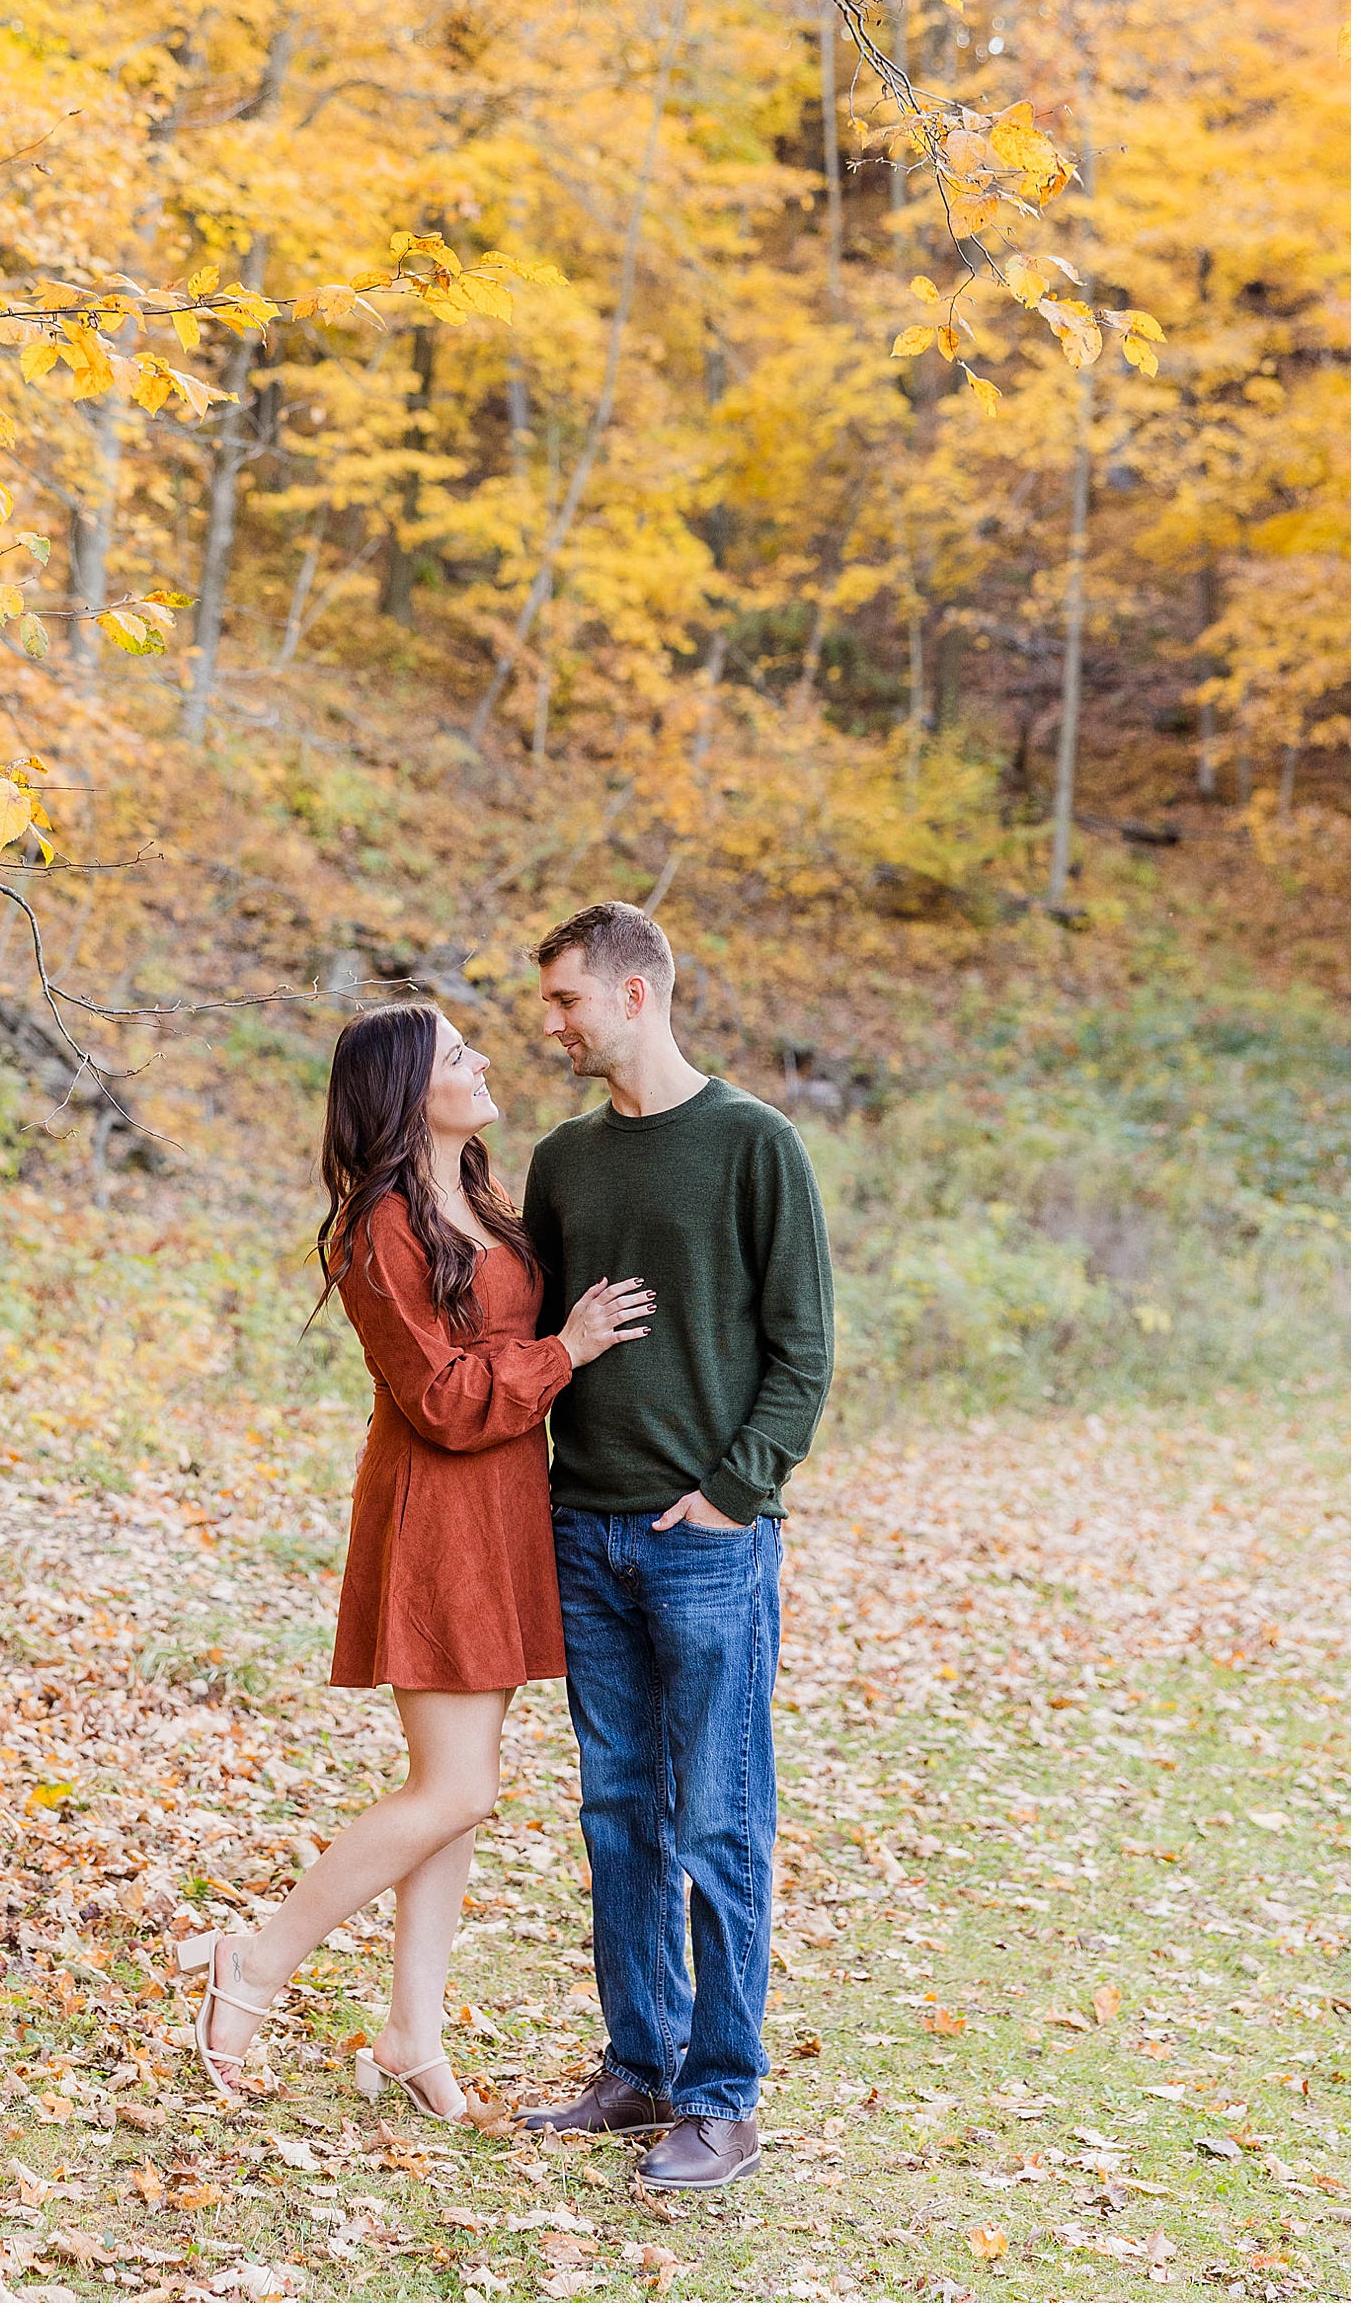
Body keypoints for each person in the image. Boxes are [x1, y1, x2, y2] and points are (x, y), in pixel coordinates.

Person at [176, 999, 653, 2117]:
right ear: (403, 1089)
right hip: (438, 1505)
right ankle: (253, 1961)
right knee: (457, 1784)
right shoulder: (379, 1225)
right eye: (454, 1053)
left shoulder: (481, 1198)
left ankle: (409, 2034)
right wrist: (564, 1351)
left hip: (502, 1505)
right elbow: (440, 1398)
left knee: (460, 1798)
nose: (482, 1057)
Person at [517, 903, 833, 2190]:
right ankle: (639, 2065)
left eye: (565, 1000)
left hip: (705, 1542)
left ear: (635, 996)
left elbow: (802, 1348)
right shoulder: (562, 1161)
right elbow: (542, 1333)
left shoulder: (755, 1144)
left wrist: (734, 1491)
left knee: (716, 1818)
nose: (550, 1022)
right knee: (617, 1813)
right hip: (582, 1532)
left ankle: (723, 2092)